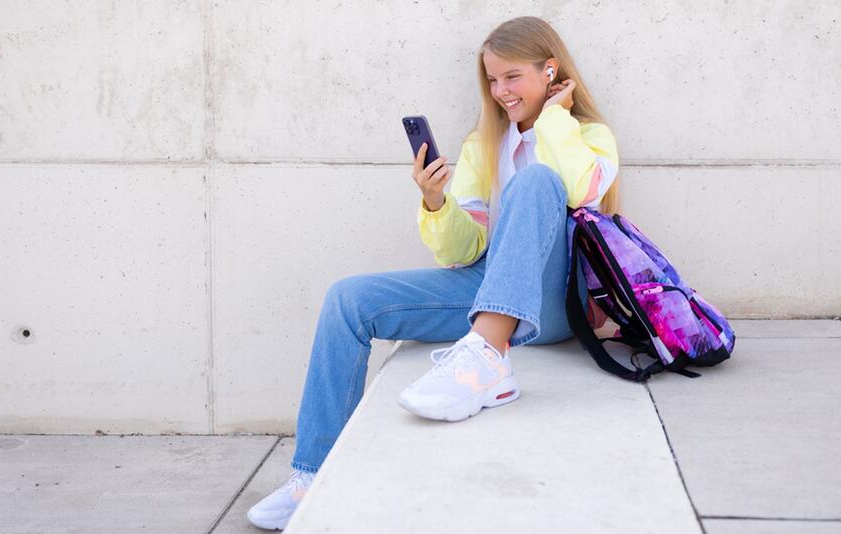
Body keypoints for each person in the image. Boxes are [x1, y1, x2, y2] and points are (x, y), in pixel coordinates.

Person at [247, 15, 620, 530]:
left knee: (536, 183)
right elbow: (461, 253)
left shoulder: (590, 134)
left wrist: (554, 120)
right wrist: (436, 200)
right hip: (490, 283)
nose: (500, 91)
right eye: (492, 80)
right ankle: (312, 476)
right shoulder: (482, 146)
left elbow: (580, 190)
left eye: (512, 76)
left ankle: (487, 360)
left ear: (549, 70)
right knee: (347, 299)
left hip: (555, 299)